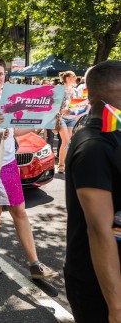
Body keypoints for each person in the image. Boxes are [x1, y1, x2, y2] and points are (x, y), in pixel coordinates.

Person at [0, 58, 58, 280]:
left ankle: (34, 263)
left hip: (7, 164)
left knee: (19, 211)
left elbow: (15, 132)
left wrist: (45, 122)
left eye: (0, 74)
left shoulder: (12, 100)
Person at [64, 60, 121, 323]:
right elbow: (99, 231)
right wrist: (116, 307)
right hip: (97, 286)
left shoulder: (112, 131)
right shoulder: (93, 146)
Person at [56, 71, 78, 174]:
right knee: (66, 141)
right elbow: (54, 106)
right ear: (68, 78)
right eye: (74, 76)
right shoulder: (60, 90)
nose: (76, 78)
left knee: (68, 143)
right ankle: (61, 165)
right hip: (61, 118)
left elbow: (77, 104)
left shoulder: (75, 91)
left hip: (72, 118)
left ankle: (66, 163)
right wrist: (62, 111)